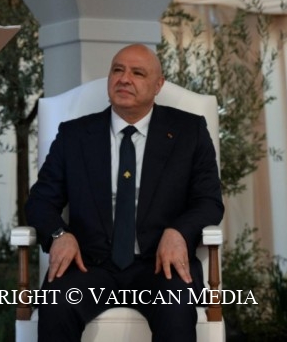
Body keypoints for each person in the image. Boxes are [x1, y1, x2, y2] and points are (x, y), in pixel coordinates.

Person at [25, 44, 224, 342]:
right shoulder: (75, 135)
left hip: (159, 264)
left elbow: (208, 201)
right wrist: (58, 234)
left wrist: (180, 232)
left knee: (174, 306)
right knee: (58, 303)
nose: (124, 78)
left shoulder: (188, 131)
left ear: (158, 85)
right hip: (88, 264)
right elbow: (41, 201)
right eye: (117, 70)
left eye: (137, 73)